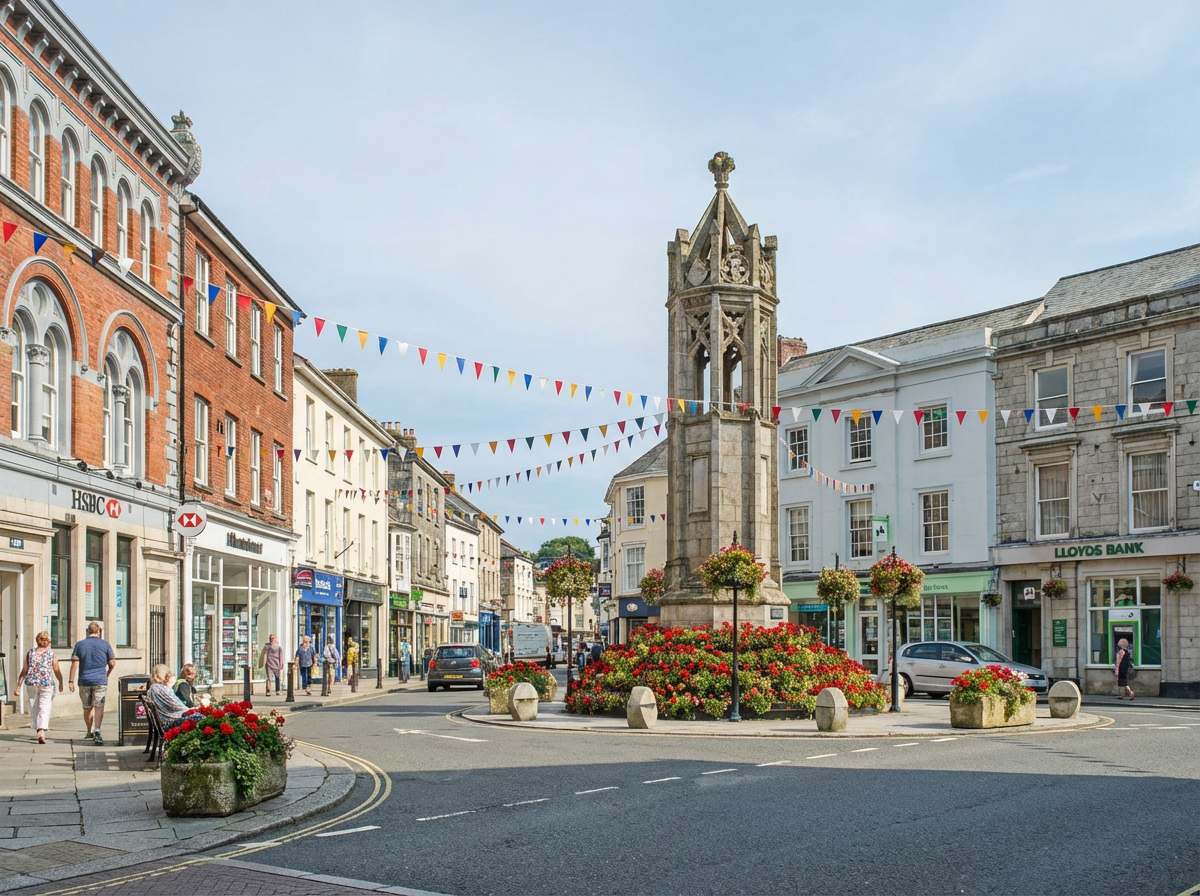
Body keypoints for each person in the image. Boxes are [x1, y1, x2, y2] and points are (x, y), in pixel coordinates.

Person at [69, 621, 116, 745]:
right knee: (99, 705)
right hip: (100, 680)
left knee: (87, 707)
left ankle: (89, 731)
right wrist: (108, 673)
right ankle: (98, 731)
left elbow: (74, 664)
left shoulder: (79, 645)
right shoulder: (105, 645)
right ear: (99, 631)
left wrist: (71, 681)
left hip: (84, 680)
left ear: (88, 631)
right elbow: (112, 663)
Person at [15, 632, 63, 744]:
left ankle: (38, 729)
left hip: (32, 682)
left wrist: (18, 687)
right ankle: (41, 730)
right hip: (47, 683)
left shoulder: (31, 653)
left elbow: (24, 671)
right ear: (48, 642)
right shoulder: (51, 654)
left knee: (34, 706)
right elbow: (56, 670)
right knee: (44, 706)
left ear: (38, 641)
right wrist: (60, 681)